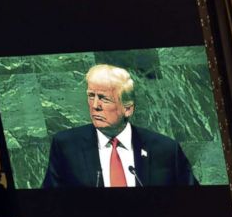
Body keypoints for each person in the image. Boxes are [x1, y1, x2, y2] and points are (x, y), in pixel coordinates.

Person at [41, 64, 198, 188]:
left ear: (128, 108)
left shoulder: (166, 150)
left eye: (104, 98)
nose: (95, 105)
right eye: (91, 96)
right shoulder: (66, 146)